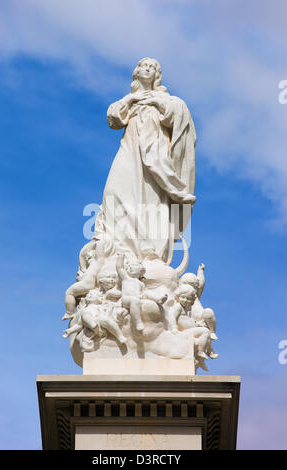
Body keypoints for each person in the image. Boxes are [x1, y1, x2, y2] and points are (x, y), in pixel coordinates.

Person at [94, 57, 196, 264]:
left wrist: (156, 102)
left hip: (154, 157)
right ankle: (116, 250)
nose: (148, 69)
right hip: (129, 150)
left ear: (157, 75)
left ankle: (149, 253)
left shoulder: (167, 99)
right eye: (144, 66)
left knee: (151, 199)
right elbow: (113, 119)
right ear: (136, 71)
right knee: (113, 191)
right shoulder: (129, 99)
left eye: (152, 67)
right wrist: (132, 99)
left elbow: (176, 117)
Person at [179, 263, 218, 341]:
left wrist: (200, 272)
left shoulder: (196, 294)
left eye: (193, 285)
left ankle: (212, 331)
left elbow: (201, 284)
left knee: (208, 312)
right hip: (189, 321)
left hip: (202, 319)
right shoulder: (181, 295)